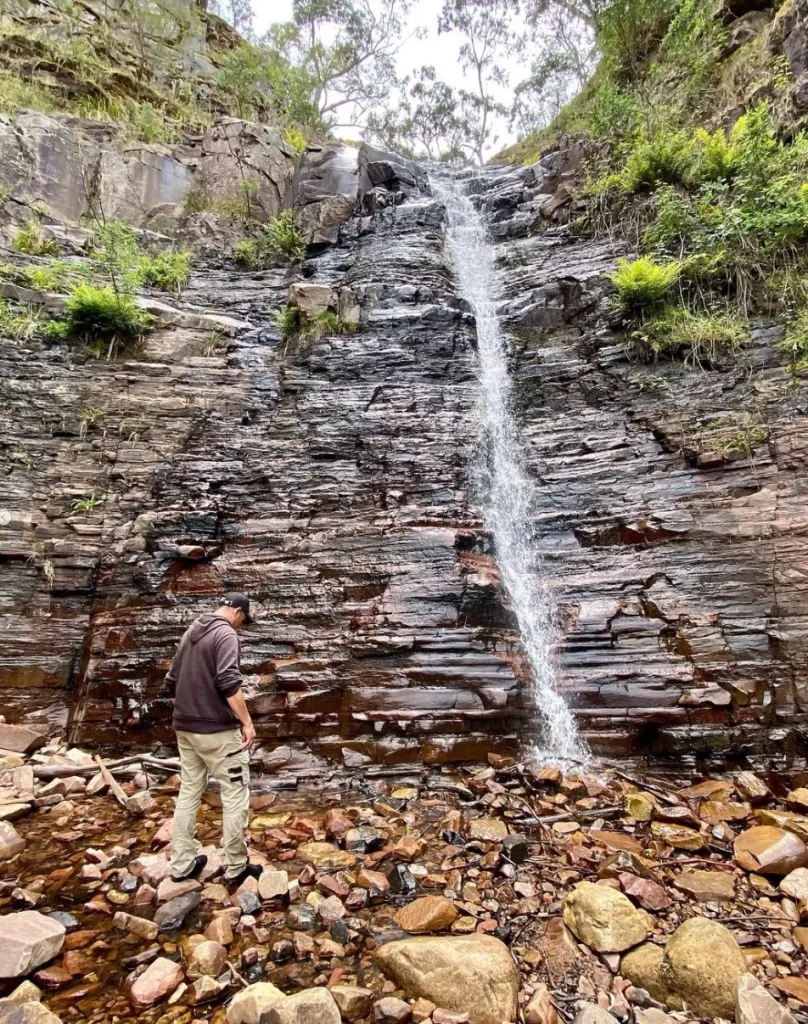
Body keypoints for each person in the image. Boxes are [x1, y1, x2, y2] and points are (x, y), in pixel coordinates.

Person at [163, 592, 261, 886]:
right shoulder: (226, 635)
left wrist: (188, 711)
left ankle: (181, 864)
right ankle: (235, 866)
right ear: (238, 612)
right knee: (234, 795)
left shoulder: (191, 631)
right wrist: (247, 722)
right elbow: (228, 681)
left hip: (185, 728)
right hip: (217, 732)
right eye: (243, 621)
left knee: (189, 791)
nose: (241, 626)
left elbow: (171, 681)